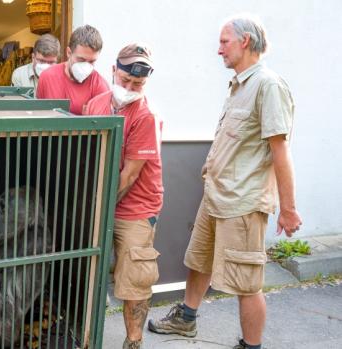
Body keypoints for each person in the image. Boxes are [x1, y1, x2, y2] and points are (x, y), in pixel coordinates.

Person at [148, 14, 302, 349]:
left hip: (243, 203)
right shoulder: (239, 85)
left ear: (245, 41)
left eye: (224, 42)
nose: (219, 50)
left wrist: (287, 209)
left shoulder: (268, 85)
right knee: (198, 261)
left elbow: (280, 150)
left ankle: (251, 345)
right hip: (216, 196)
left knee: (247, 283)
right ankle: (186, 319)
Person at [84, 44, 162, 349]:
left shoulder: (146, 115)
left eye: (138, 85)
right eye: (125, 80)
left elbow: (129, 175)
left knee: (134, 277)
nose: (130, 89)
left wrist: (97, 209)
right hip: (101, 201)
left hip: (136, 207)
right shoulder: (96, 105)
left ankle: (133, 341)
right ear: (113, 70)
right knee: (88, 272)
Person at [36, 25, 109, 115]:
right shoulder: (47, 77)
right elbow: (39, 116)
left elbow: (102, 127)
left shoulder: (100, 86)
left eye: (91, 61)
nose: (86, 66)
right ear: (69, 53)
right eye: (81, 60)